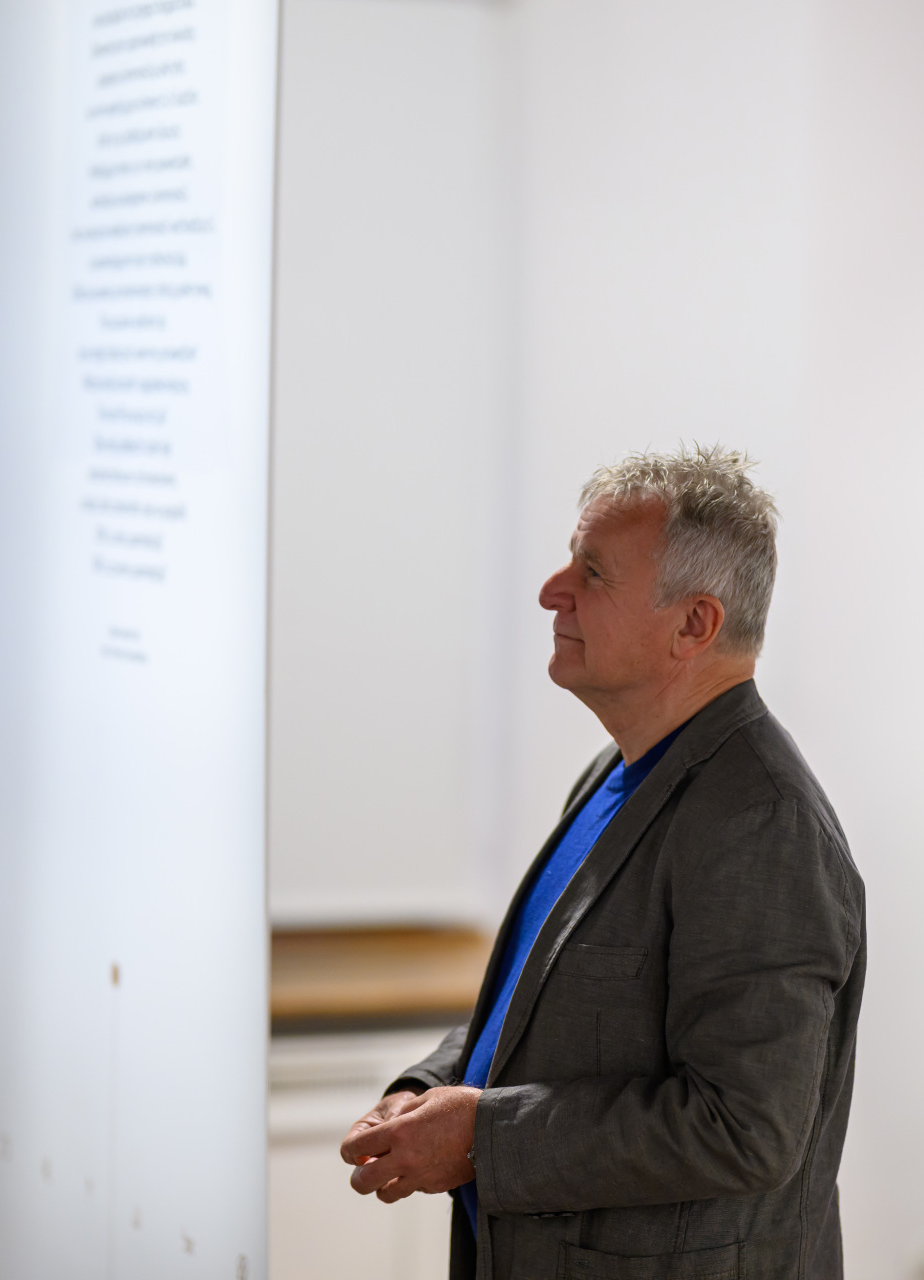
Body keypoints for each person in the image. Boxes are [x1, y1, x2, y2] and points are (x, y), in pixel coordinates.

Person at [340, 445, 866, 1279]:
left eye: (592, 572)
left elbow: (745, 1128)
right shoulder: (616, 771)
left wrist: (481, 1137)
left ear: (693, 625)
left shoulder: (763, 825)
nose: (553, 590)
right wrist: (429, 1087)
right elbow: (550, 1008)